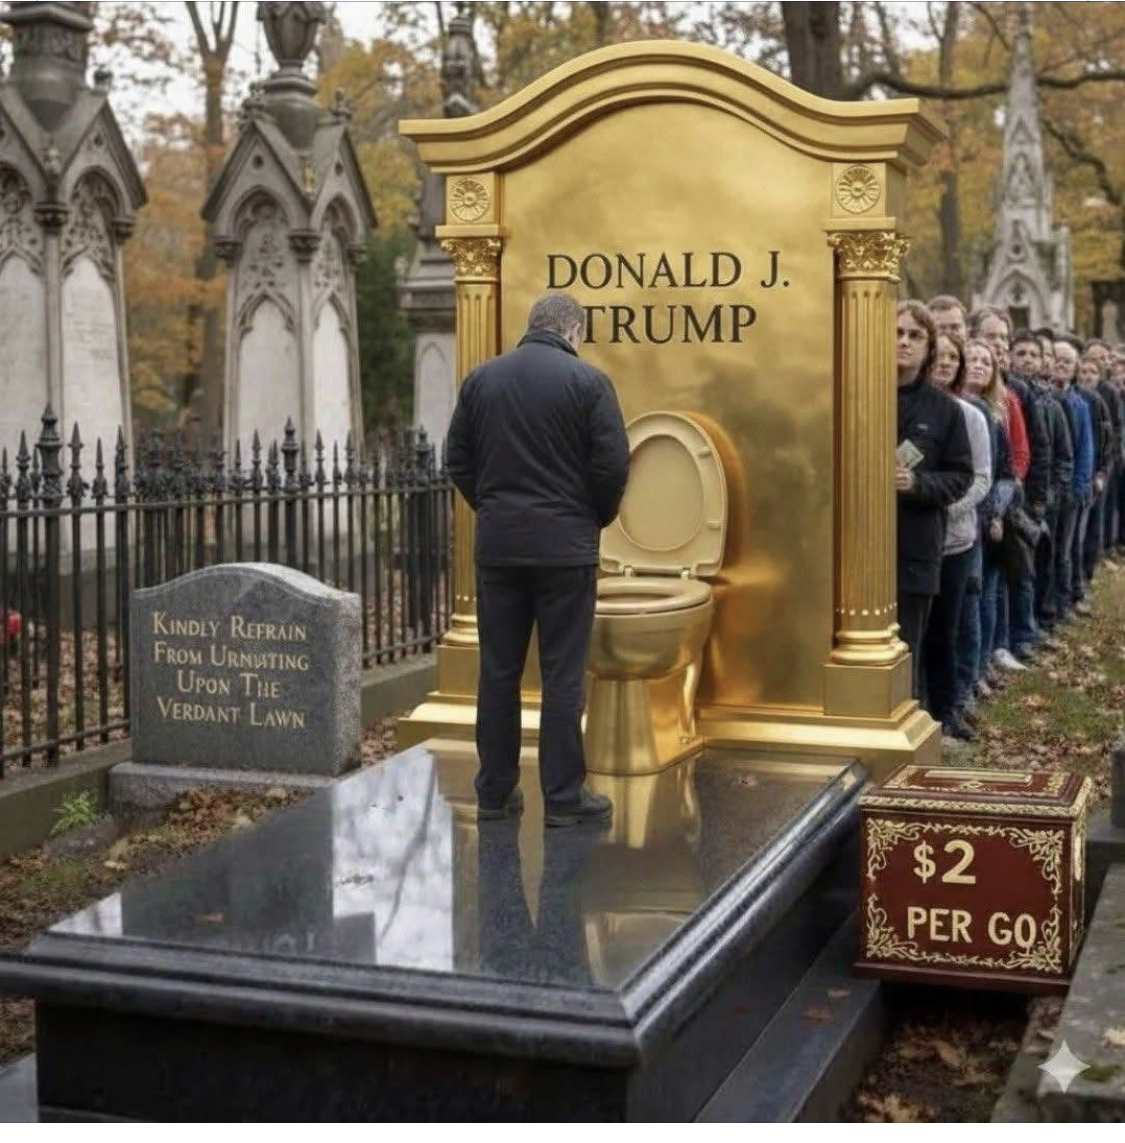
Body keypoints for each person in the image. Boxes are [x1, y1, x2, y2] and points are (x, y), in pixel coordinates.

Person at [446, 292, 629, 827]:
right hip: (565, 553)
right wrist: (590, 518)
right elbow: (612, 465)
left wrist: (494, 507)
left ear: (534, 327)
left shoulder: (482, 381)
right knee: (562, 675)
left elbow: (457, 458)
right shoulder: (590, 383)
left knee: (498, 672)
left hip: (499, 549)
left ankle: (494, 792)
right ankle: (565, 799)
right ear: (574, 331)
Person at [896, 301, 973, 697]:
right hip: (856, 550)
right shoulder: (854, 394)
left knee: (907, 649)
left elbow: (961, 477)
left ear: (928, 348)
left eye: (915, 335)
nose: (904, 342)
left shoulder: (944, 410)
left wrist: (917, 484)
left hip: (915, 550)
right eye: (897, 333)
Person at [922, 332, 992, 742]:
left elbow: (980, 478)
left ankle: (946, 710)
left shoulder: (971, 415)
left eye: (954, 357)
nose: (946, 363)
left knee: (946, 630)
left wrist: (942, 510)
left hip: (955, 541)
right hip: (914, 540)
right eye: (940, 355)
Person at [961, 338, 1016, 701]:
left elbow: (1006, 473)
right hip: (956, 518)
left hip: (985, 520)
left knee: (981, 598)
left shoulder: (995, 417)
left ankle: (977, 670)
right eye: (973, 359)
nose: (979, 365)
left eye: (986, 361)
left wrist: (996, 511)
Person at [1052, 336, 1094, 621]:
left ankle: (1063, 602)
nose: (1061, 365)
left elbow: (1085, 450)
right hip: (1048, 488)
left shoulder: (1079, 405)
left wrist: (1078, 488)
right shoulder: (1042, 398)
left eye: (1067, 362)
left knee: (1064, 551)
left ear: (1075, 368)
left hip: (1070, 491)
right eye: (1057, 359)